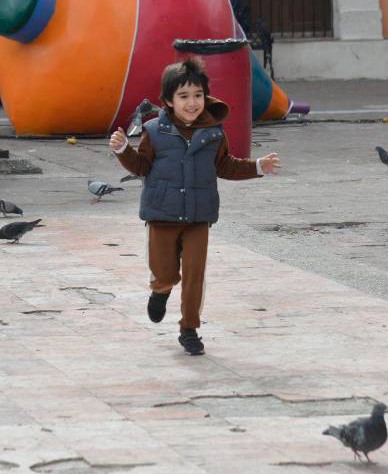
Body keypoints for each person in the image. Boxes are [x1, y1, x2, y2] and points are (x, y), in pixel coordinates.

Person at [109, 57, 280, 355]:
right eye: (184, 96)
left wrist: (258, 167)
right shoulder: (154, 131)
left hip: (199, 217)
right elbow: (141, 166)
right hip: (161, 215)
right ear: (168, 101)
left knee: (194, 273)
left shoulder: (214, 132)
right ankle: (161, 289)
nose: (192, 103)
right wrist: (124, 150)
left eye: (198, 95)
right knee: (164, 271)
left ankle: (189, 328)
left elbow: (225, 166)